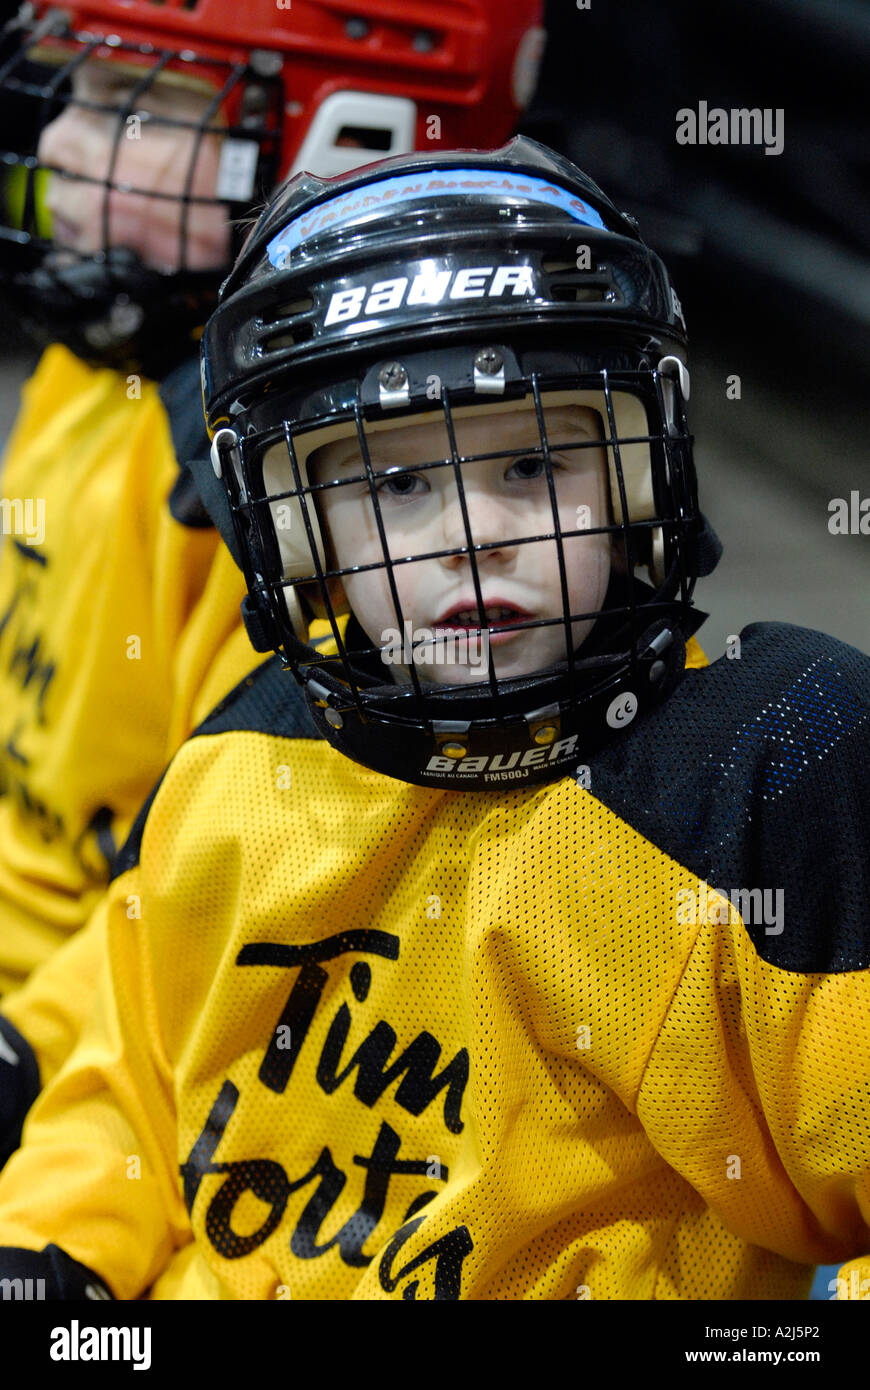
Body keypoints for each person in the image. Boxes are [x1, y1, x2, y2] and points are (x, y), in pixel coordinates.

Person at [1, 136, 867, 1301]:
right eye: (397, 483)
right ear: (293, 536)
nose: (472, 534)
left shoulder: (762, 781)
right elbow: (133, 1091)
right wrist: (53, 1257)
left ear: (638, 479)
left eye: (536, 464)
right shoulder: (237, 763)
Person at [0, 0, 544, 1164]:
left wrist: (30, 1052)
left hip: (81, 1030)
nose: (57, 144)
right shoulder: (95, 364)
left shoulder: (280, 508)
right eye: (78, 93)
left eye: (134, 107)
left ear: (347, 138)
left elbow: (212, 917)